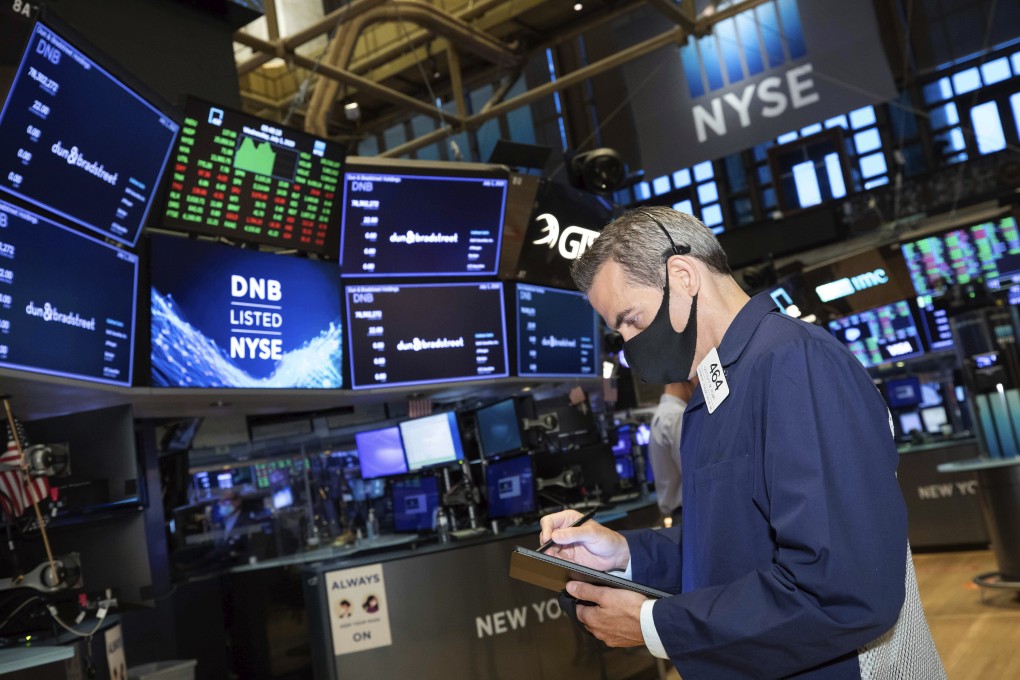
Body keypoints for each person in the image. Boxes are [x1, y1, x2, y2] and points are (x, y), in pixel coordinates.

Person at [540, 207, 944, 678]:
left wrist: (655, 625)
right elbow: (737, 544)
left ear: (683, 275)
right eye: (620, 331)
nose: (630, 345)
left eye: (632, 319)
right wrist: (624, 554)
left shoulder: (795, 363)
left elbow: (840, 588)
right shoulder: (714, 391)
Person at [647, 379, 697, 524]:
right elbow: (695, 473)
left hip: (679, 515)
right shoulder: (676, 416)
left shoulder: (664, 413)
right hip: (689, 514)